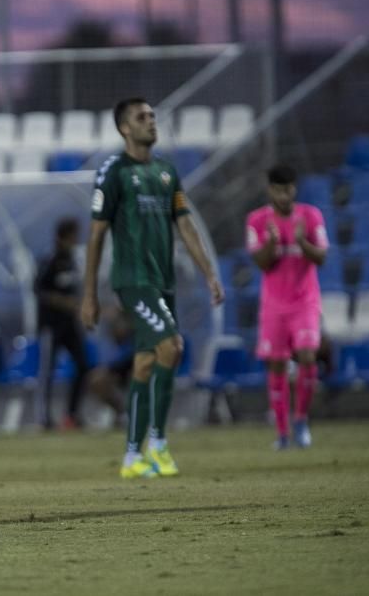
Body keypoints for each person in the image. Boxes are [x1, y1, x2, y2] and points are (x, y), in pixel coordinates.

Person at [80, 97, 224, 479]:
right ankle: (158, 444)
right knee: (172, 346)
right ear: (125, 128)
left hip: (164, 281)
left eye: (152, 117)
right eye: (142, 118)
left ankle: (132, 457)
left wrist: (209, 273)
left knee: (145, 362)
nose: (151, 122)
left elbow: (186, 225)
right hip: (133, 281)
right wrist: (91, 294)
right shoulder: (113, 172)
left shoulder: (166, 172)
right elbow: (96, 235)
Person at [245, 164, 328, 450]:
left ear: (295, 188)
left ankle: (301, 420)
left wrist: (302, 241)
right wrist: (272, 242)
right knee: (277, 364)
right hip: (274, 305)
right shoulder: (256, 221)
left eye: (288, 189)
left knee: (307, 356)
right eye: (278, 189)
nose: (284, 195)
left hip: (305, 300)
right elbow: (261, 263)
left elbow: (321, 258)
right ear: (270, 190)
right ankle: (282, 433)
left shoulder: (311, 216)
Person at [35, 218, 91, 430]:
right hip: (52, 325)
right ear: (63, 237)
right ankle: (44, 418)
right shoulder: (50, 259)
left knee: (83, 365)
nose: (76, 240)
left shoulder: (72, 260)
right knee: (47, 370)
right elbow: (39, 290)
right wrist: (63, 302)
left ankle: (72, 415)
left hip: (70, 324)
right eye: (73, 236)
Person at [86, 309, 135, 420]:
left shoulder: (136, 339)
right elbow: (109, 364)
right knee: (96, 379)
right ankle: (121, 412)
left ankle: (141, 413)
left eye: (119, 324)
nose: (117, 327)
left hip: (135, 370)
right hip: (118, 372)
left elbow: (133, 360)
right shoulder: (110, 341)